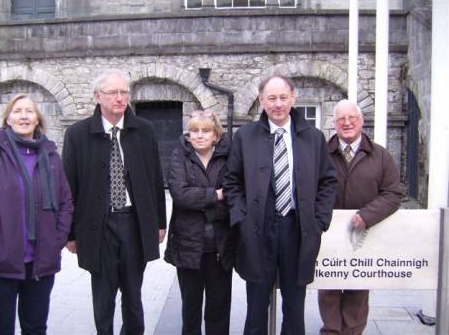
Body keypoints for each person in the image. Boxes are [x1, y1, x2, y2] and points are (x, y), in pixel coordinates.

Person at [224, 75, 337, 335]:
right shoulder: (246, 136)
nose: (277, 104)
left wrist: (319, 221)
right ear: (261, 100)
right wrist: (241, 218)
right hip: (257, 229)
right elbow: (232, 181)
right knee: (256, 308)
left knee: (295, 308)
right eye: (271, 98)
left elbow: (328, 181)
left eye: (283, 98)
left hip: (297, 230)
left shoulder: (313, 137)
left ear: (293, 98)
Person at [62, 69, 167, 335]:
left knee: (133, 296)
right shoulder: (77, 134)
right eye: (112, 93)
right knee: (103, 296)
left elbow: (156, 178)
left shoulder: (144, 130)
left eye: (124, 92)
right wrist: (70, 234)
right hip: (98, 226)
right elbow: (69, 186)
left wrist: (159, 222)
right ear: (98, 96)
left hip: (133, 221)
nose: (120, 98)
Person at [0, 94, 73, 335]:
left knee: (35, 328)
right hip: (2, 261)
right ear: (8, 119)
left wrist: (57, 239)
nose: (24, 116)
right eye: (17, 111)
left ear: (38, 119)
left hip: (41, 261)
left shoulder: (50, 155)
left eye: (29, 111)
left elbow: (66, 200)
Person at [317, 99, 403, 335]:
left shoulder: (381, 155)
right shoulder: (320, 154)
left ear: (361, 121)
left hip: (365, 234)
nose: (347, 123)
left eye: (352, 117)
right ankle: (331, 331)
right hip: (328, 233)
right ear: (333, 123)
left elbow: (393, 193)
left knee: (358, 286)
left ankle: (353, 332)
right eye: (341, 119)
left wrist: (367, 215)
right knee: (329, 287)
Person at [165, 109, 237, 335]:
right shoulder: (179, 156)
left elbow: (234, 193)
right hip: (188, 244)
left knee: (219, 308)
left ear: (216, 135)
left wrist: (201, 199)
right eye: (194, 130)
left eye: (205, 131)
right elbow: (180, 194)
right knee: (191, 308)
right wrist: (215, 195)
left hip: (220, 245)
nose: (199, 135)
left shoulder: (229, 157)